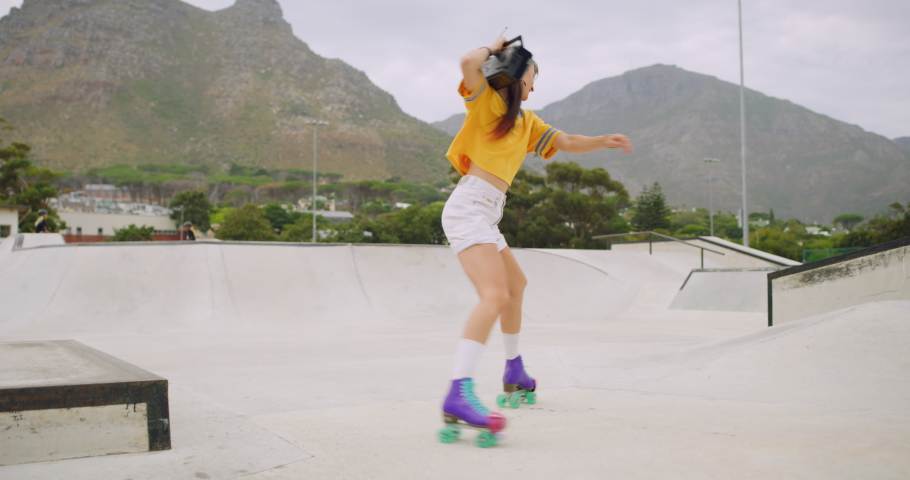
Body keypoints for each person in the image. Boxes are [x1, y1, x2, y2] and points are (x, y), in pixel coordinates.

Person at [438, 36, 633, 444]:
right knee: (495, 295)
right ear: (515, 73)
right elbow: (467, 62)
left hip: (489, 213)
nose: (534, 86)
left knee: (516, 285)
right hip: (469, 206)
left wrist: (603, 141)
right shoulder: (485, 101)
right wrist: (494, 47)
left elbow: (565, 142)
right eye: (531, 77)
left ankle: (514, 370)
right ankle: (458, 391)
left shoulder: (527, 123)